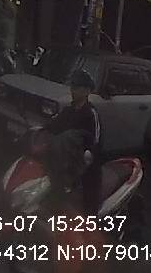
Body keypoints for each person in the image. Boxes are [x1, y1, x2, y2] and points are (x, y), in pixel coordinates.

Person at [44, 69, 102, 212]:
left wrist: (89, 153)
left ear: (87, 91)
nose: (73, 90)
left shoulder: (91, 113)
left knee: (88, 199)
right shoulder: (68, 110)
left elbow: (96, 140)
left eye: (77, 87)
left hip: (83, 162)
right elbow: (53, 126)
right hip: (65, 158)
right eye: (72, 87)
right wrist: (41, 129)